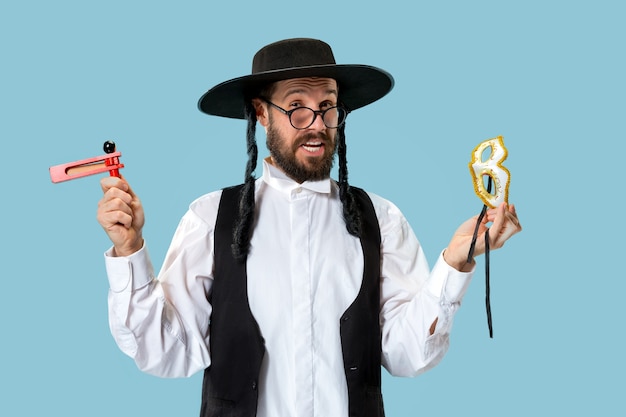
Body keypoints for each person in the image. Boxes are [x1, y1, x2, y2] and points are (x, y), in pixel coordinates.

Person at [97, 38, 522, 417]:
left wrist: (454, 262)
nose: (317, 124)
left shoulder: (381, 219)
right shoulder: (209, 218)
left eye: (327, 106)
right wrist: (130, 251)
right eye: (297, 107)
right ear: (262, 113)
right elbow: (168, 352)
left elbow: (407, 354)